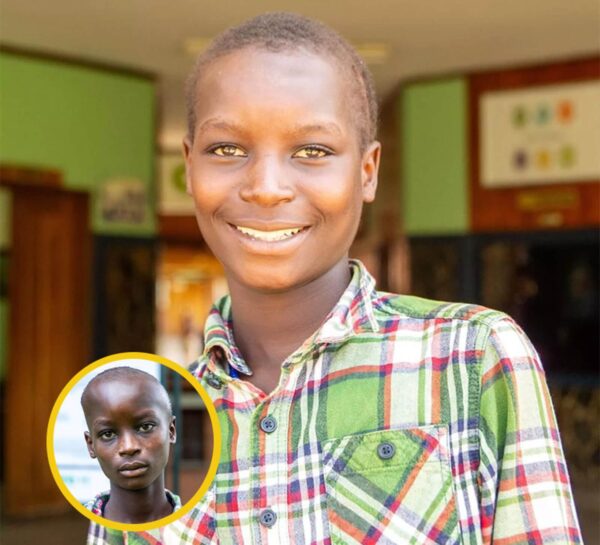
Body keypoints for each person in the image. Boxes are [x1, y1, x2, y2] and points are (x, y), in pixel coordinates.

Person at [88, 12, 581, 545]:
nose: (267, 188)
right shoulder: (146, 431)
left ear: (367, 172)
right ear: (189, 168)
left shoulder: (473, 356)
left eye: (313, 151)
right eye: (227, 149)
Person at [81, 366, 179, 527]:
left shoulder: (210, 527)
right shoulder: (69, 532)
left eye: (145, 427)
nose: (129, 447)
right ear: (91, 445)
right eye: (108, 434)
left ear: (171, 431)